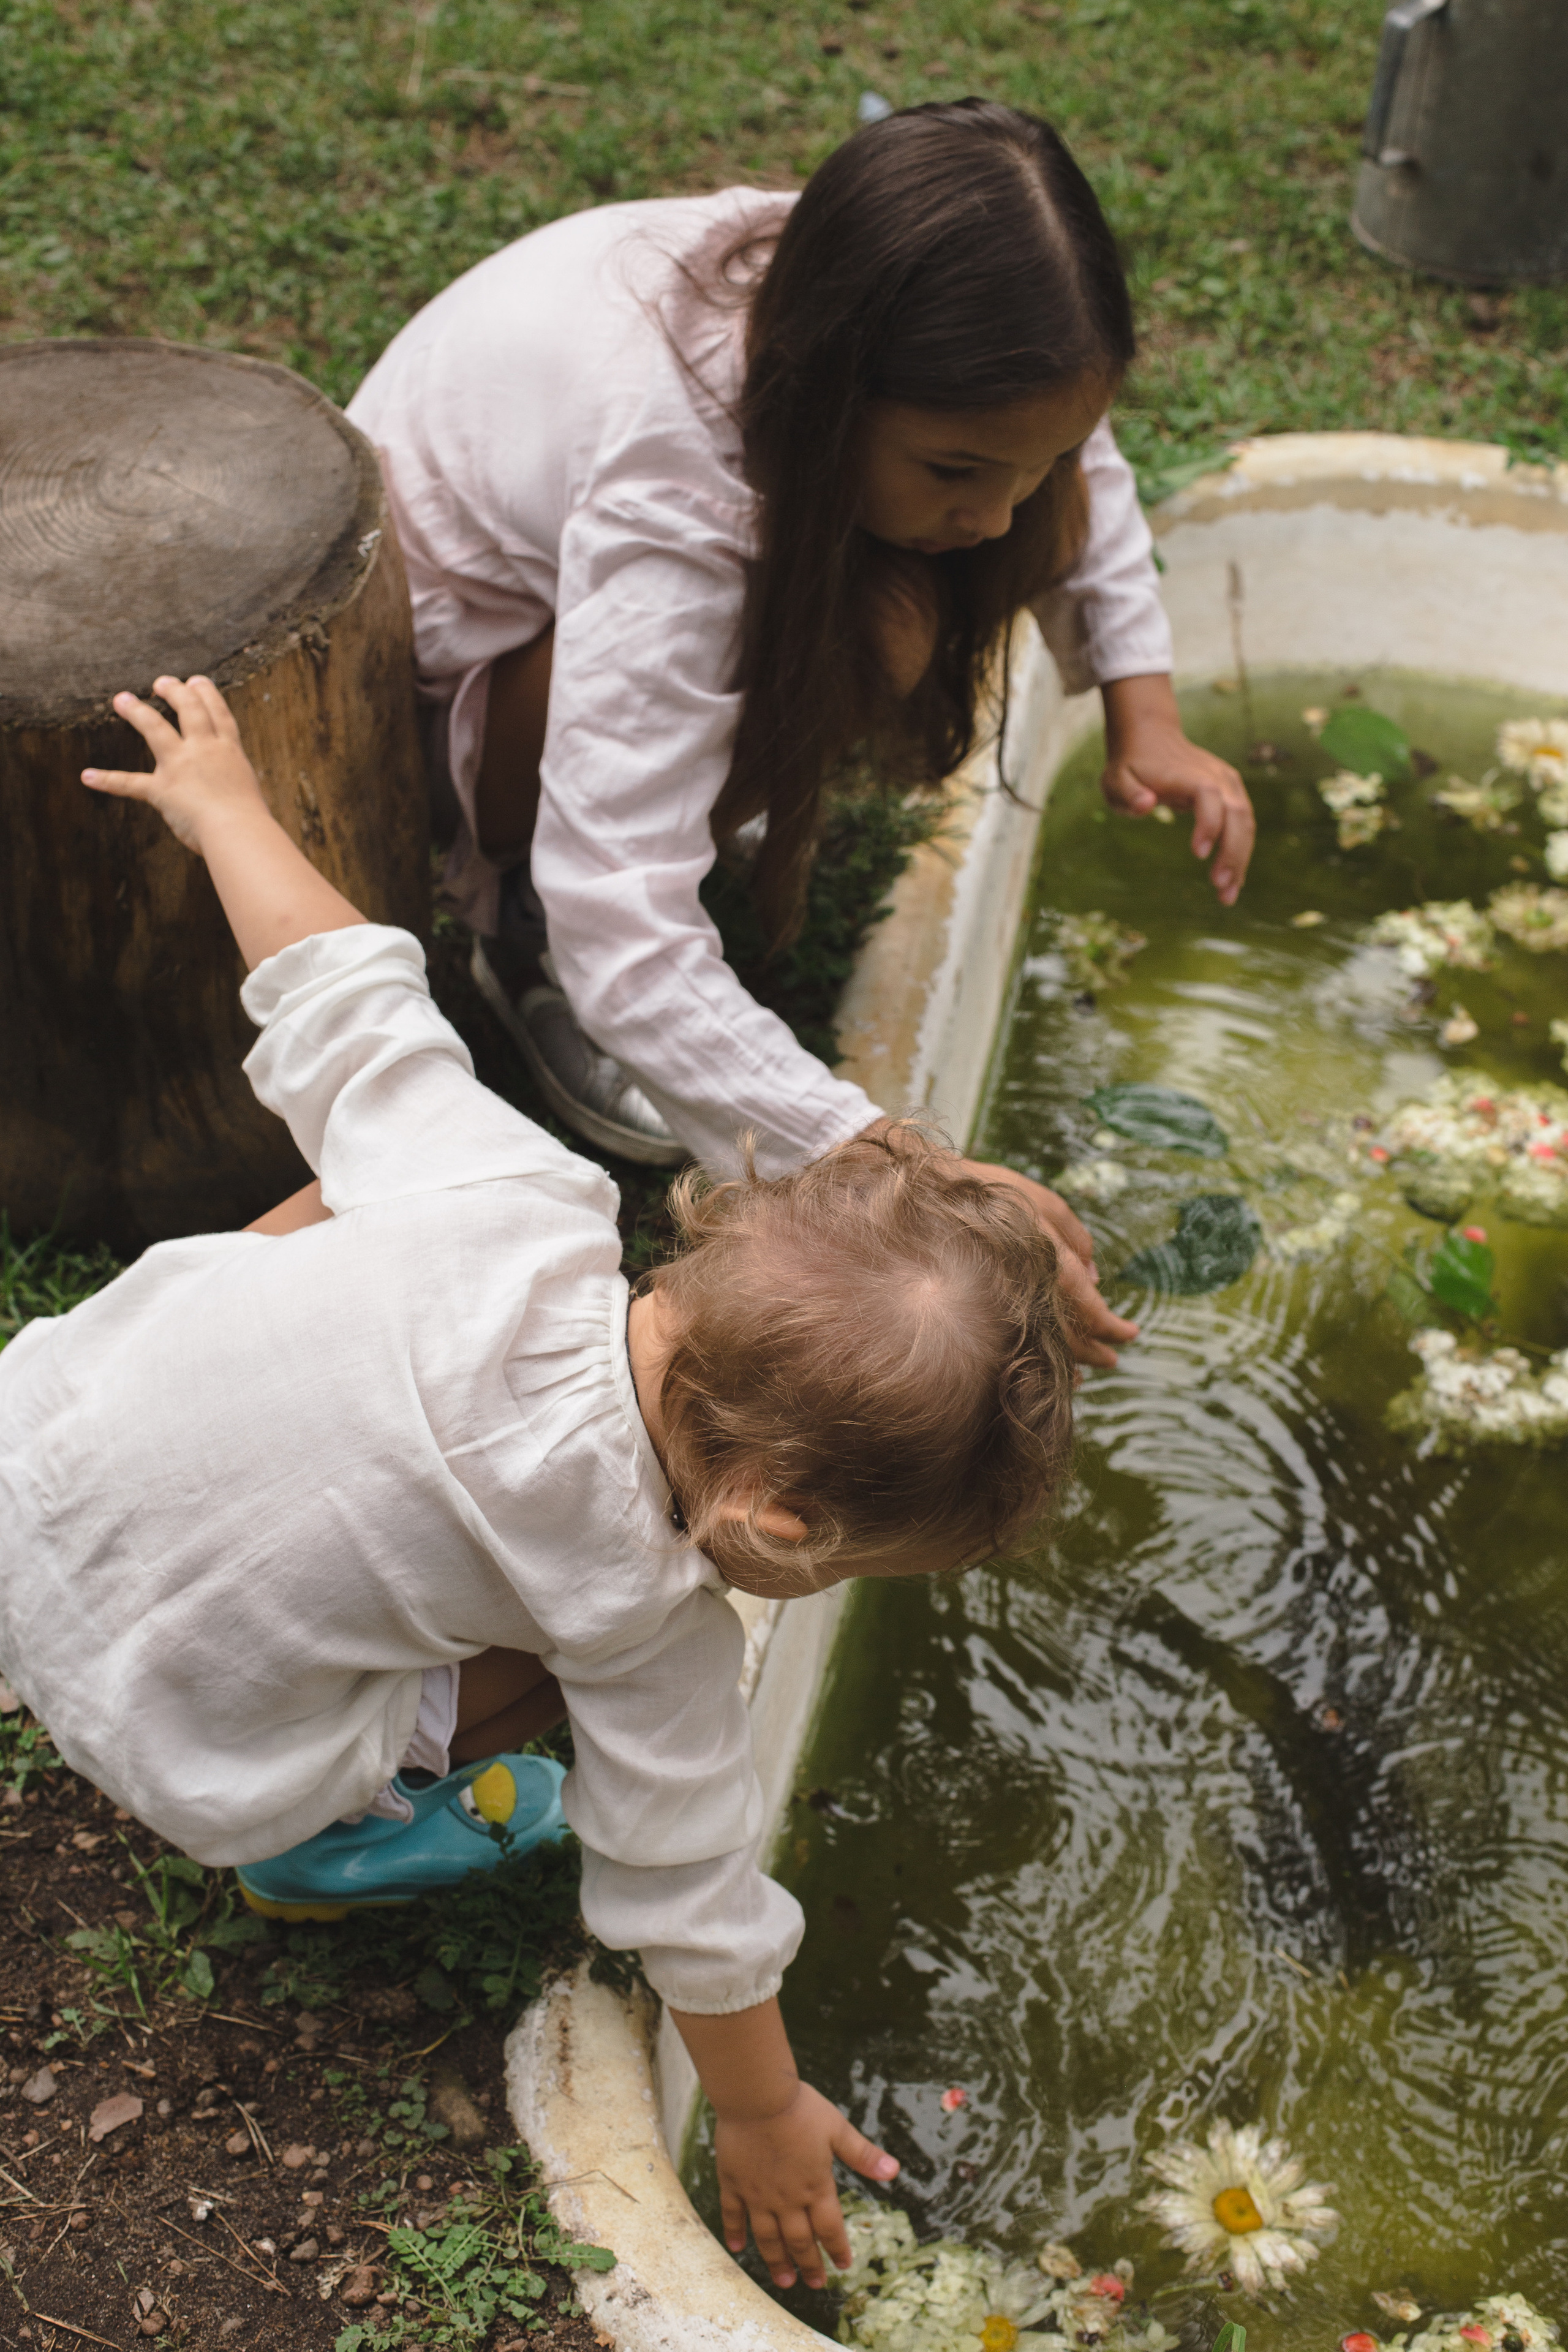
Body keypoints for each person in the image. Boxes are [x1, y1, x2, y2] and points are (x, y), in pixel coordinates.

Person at [0, 675, 1079, 2294]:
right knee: (540, 1689)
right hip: (178, 1725)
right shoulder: (644, 1609)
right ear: (781, 1519)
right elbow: (686, 1883)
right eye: (851, 1566)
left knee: (352, 1179)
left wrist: (225, 805)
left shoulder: (523, 1190)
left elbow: (347, 1003)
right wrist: (765, 2107)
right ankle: (329, 1845)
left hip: (31, 1448)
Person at [347, 97, 1255, 1373]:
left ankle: (684, 774)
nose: (993, 519)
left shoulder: (885, 302)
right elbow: (626, 921)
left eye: (1018, 467)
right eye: (952, 471)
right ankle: (511, 926)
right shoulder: (675, 486)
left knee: (907, 592)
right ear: (837, 396)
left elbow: (1074, 451)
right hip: (440, 691)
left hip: (603, 587)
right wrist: (892, 1162)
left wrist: (1140, 708)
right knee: (840, 649)